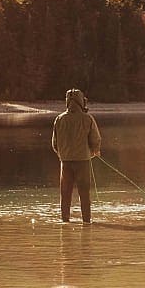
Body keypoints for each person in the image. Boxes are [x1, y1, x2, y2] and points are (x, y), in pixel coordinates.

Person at [51, 88, 102, 223]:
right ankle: (86, 221)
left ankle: (65, 220)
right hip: (83, 162)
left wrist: (64, 155)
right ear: (81, 102)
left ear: (67, 102)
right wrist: (94, 151)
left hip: (65, 162)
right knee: (84, 194)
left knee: (65, 194)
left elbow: (54, 144)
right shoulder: (87, 119)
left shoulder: (59, 119)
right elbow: (96, 140)